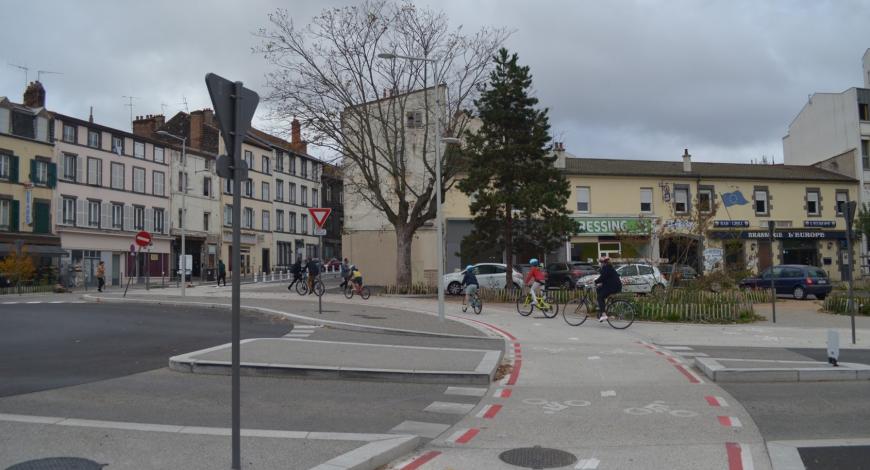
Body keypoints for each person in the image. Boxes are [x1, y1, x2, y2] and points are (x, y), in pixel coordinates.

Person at [594, 255, 622, 322]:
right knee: (599, 289)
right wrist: (600, 284)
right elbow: (607, 278)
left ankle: (603, 314)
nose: (600, 264)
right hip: (614, 286)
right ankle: (601, 309)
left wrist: (595, 282)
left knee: (599, 297)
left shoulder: (606, 268)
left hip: (612, 287)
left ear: (604, 263)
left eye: (601, 262)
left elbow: (603, 277)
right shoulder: (609, 267)